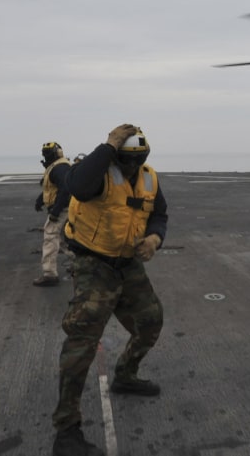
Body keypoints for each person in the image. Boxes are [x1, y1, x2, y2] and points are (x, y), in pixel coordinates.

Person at [52, 124, 168, 456]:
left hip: (128, 263)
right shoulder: (98, 171)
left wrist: (155, 239)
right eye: (124, 160)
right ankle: (66, 430)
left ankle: (126, 375)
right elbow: (76, 185)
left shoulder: (149, 178)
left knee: (151, 321)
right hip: (93, 264)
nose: (130, 167)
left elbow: (159, 215)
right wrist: (107, 147)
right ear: (116, 154)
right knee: (82, 340)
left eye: (137, 161)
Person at [33, 142, 71, 286]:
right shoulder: (58, 166)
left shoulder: (59, 168)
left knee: (50, 237)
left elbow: (65, 189)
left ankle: (49, 275)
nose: (46, 156)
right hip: (66, 208)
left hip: (62, 209)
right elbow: (52, 188)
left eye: (47, 153)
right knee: (67, 240)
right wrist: (40, 200)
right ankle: (78, 266)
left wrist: (56, 211)